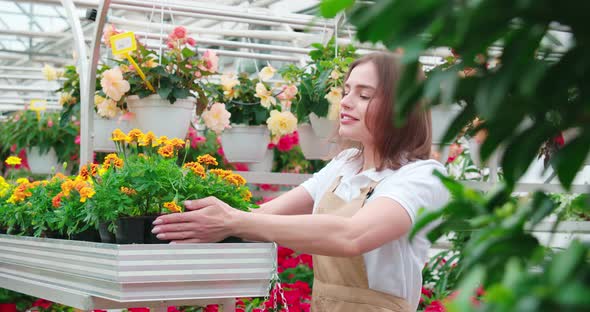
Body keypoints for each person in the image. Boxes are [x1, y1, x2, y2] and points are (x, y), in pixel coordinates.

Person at [151, 52, 449, 312]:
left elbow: (352, 236)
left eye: (364, 95)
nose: (345, 102)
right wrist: (191, 222)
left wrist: (233, 220)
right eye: (346, 91)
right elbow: (260, 217)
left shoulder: (422, 177)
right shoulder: (343, 166)